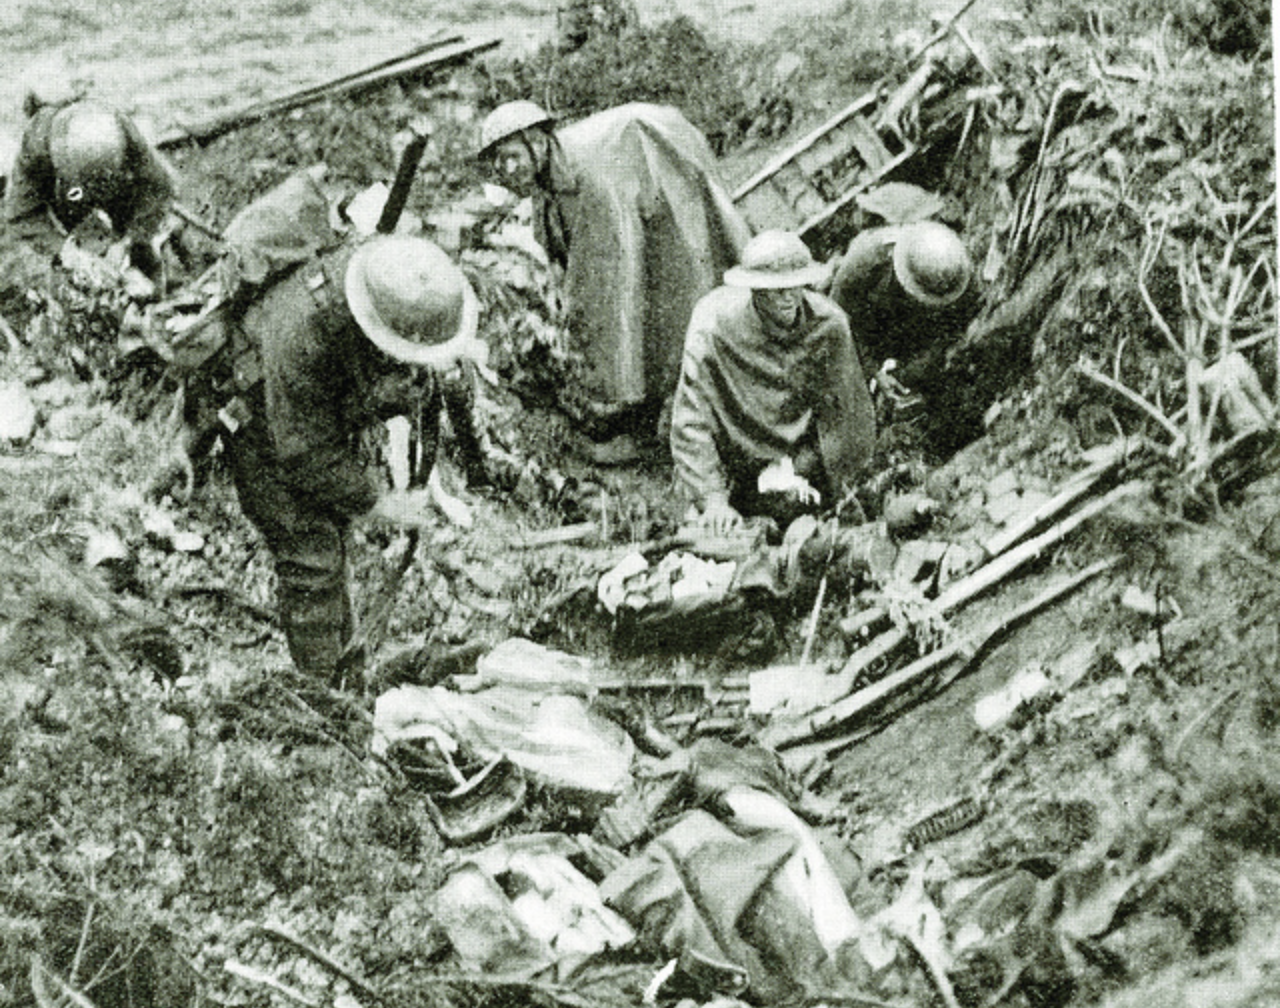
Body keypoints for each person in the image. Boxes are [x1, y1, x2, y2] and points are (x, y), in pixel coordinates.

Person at [221, 231, 488, 688]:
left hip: (317, 412)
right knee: (311, 556)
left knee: (335, 537)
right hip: (258, 419)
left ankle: (347, 670)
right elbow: (304, 451)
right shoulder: (304, 333)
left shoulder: (388, 287)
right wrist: (379, 502)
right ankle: (326, 698)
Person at [476, 100, 751, 444]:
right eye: (500, 163)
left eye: (513, 156)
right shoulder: (548, 179)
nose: (508, 169)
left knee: (671, 308)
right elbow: (556, 244)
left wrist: (575, 327)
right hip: (635, 195)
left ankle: (677, 405)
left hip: (664, 194)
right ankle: (647, 401)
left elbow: (602, 266)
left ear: (537, 141)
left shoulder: (588, 175)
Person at [670, 230, 876, 533]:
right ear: (754, 289)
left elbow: (848, 418)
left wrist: (838, 482)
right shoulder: (712, 327)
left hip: (800, 459)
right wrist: (712, 498)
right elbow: (691, 420)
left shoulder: (829, 325)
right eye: (775, 290)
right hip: (733, 460)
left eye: (795, 285)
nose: (788, 297)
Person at [4, 97, 176, 270]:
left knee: (143, 237)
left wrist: (130, 240)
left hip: (116, 183)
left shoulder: (122, 130)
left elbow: (159, 186)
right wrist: (63, 249)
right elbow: (21, 215)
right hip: (67, 193)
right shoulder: (37, 142)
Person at [828, 219, 981, 413]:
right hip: (866, 325)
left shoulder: (955, 273)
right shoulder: (864, 262)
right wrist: (874, 371)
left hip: (910, 328)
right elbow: (836, 327)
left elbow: (958, 323)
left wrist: (924, 361)